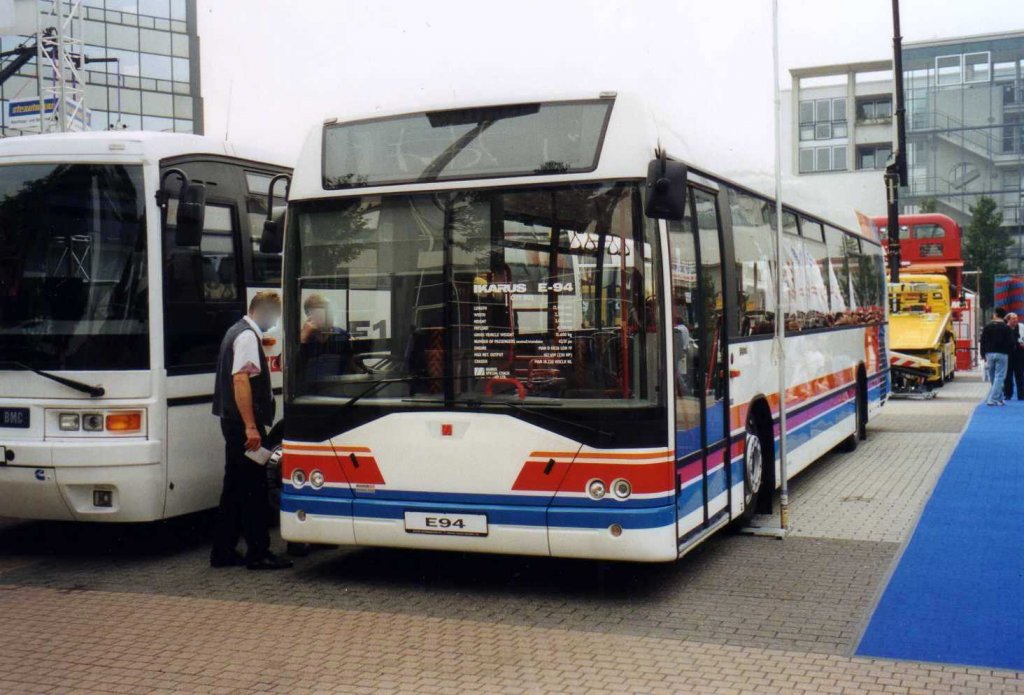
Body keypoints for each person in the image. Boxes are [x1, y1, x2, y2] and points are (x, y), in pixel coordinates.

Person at [210, 291, 293, 570]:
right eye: (275, 315)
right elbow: (241, 380)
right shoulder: (247, 337)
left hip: (231, 421)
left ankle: (222, 551)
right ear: (264, 310)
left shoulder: (235, 331)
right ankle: (258, 553)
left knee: (234, 488)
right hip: (243, 425)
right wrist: (250, 426)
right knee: (254, 488)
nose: (275, 322)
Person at [299, 294, 353, 381]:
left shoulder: (342, 335)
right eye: (324, 313)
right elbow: (284, 366)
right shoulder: (301, 336)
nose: (330, 317)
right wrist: (303, 338)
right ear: (311, 316)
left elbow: (352, 366)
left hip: (338, 387)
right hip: (310, 390)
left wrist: (356, 347)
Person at [980, 306, 1016, 407]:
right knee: (999, 376)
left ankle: (999, 398)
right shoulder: (1006, 328)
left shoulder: (988, 327)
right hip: (1002, 354)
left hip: (989, 354)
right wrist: (1009, 352)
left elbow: (982, 341)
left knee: (992, 376)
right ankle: (993, 399)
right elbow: (1011, 342)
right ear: (1004, 316)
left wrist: (983, 354)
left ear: (995, 315)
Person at [1005, 312, 1024, 400]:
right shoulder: (1004, 328)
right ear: (1008, 320)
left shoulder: (1021, 327)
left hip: (1019, 355)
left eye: (1016, 318)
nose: (1016, 320)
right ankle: (1008, 394)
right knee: (1008, 376)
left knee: (1020, 375)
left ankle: (1021, 395)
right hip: (1008, 355)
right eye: (1013, 319)